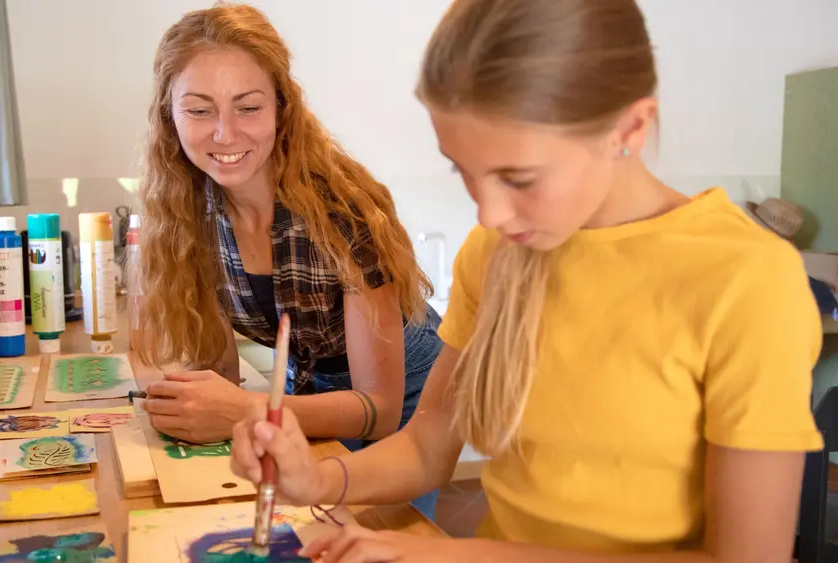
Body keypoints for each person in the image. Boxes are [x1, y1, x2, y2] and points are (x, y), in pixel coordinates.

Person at [230, 0, 824, 560]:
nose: (488, 214)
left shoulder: (747, 280)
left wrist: (457, 556)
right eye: (462, 170)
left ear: (630, 128)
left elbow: (746, 556)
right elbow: (428, 443)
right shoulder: (495, 253)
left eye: (519, 178)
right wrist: (319, 479)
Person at [134, 4, 444, 519]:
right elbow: (220, 375)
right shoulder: (186, 211)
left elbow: (380, 409)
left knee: (376, 539)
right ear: (169, 116)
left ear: (282, 107)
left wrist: (243, 410)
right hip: (305, 385)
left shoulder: (343, 211)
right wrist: (194, 405)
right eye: (199, 110)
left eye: (248, 107)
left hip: (403, 397)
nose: (225, 134)